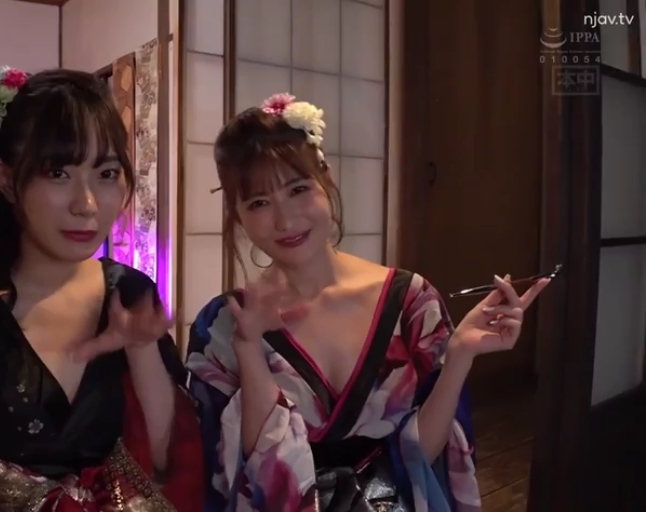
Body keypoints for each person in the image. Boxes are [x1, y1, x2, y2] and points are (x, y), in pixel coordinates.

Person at [185, 93, 550, 512]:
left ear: (326, 178)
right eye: (259, 203)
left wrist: (460, 355)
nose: (285, 220)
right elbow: (241, 479)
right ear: (237, 213)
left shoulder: (411, 303)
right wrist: (249, 348)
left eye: (298, 189)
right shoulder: (223, 326)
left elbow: (422, 457)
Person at [0, 67, 203, 512]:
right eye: (57, 173)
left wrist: (142, 352)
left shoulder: (129, 292)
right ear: (6, 178)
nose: (86, 204)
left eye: (106, 173)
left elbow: (165, 468)